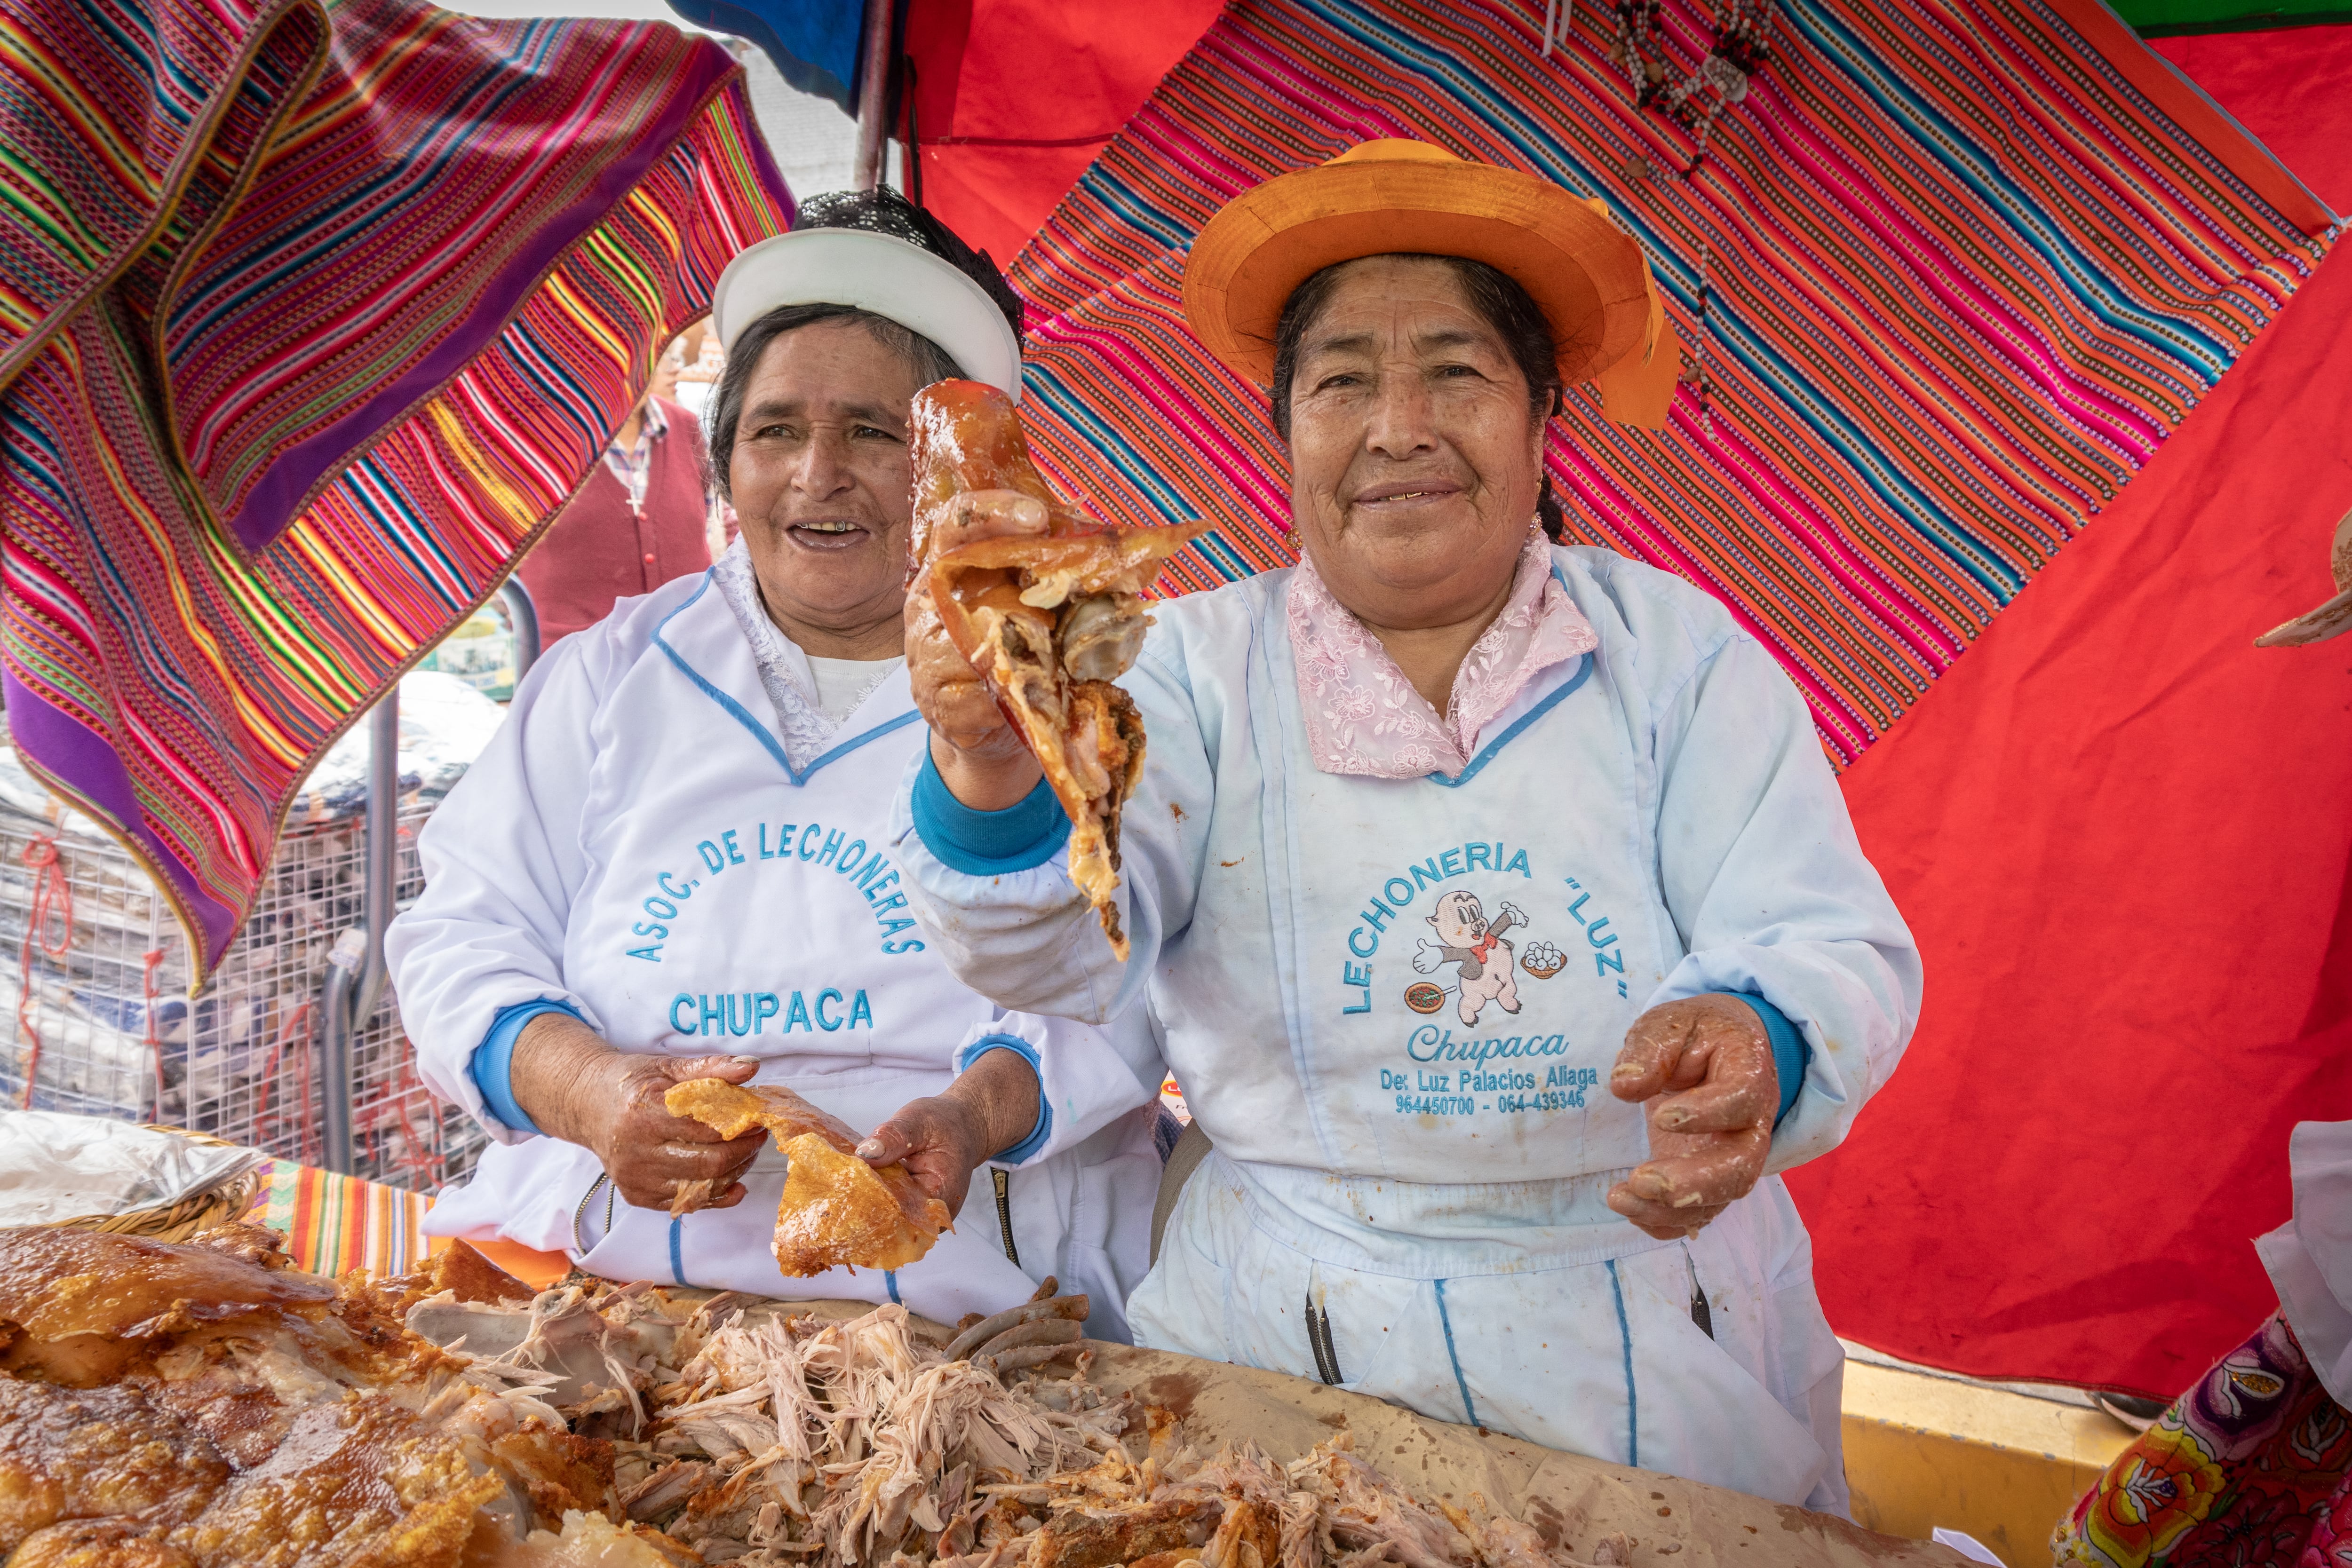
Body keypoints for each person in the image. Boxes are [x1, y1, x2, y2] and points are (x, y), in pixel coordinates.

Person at [890, 142, 1921, 1509]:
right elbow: (1070, 957)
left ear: (1541, 413)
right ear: (1286, 432)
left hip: (1646, 1332)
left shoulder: (1674, 652)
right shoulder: (1178, 669)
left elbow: (1819, 931)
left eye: (1453, 370)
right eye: (1340, 384)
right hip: (1283, 1334)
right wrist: (984, 764)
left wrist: (1763, 1039)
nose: (1397, 426)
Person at [387, 189, 1165, 1335]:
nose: (817, 475)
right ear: (726, 461)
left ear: (953, 473)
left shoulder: (1076, 691)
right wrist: (592, 1090)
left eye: (872, 432)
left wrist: (970, 1115)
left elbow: (1132, 970)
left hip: (981, 1286)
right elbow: (464, 938)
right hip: (621, 1288)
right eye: (775, 431)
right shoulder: (610, 678)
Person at [517, 336, 720, 646]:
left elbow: (708, 527)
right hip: (573, 663)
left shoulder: (685, 426)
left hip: (687, 652)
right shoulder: (535, 437)